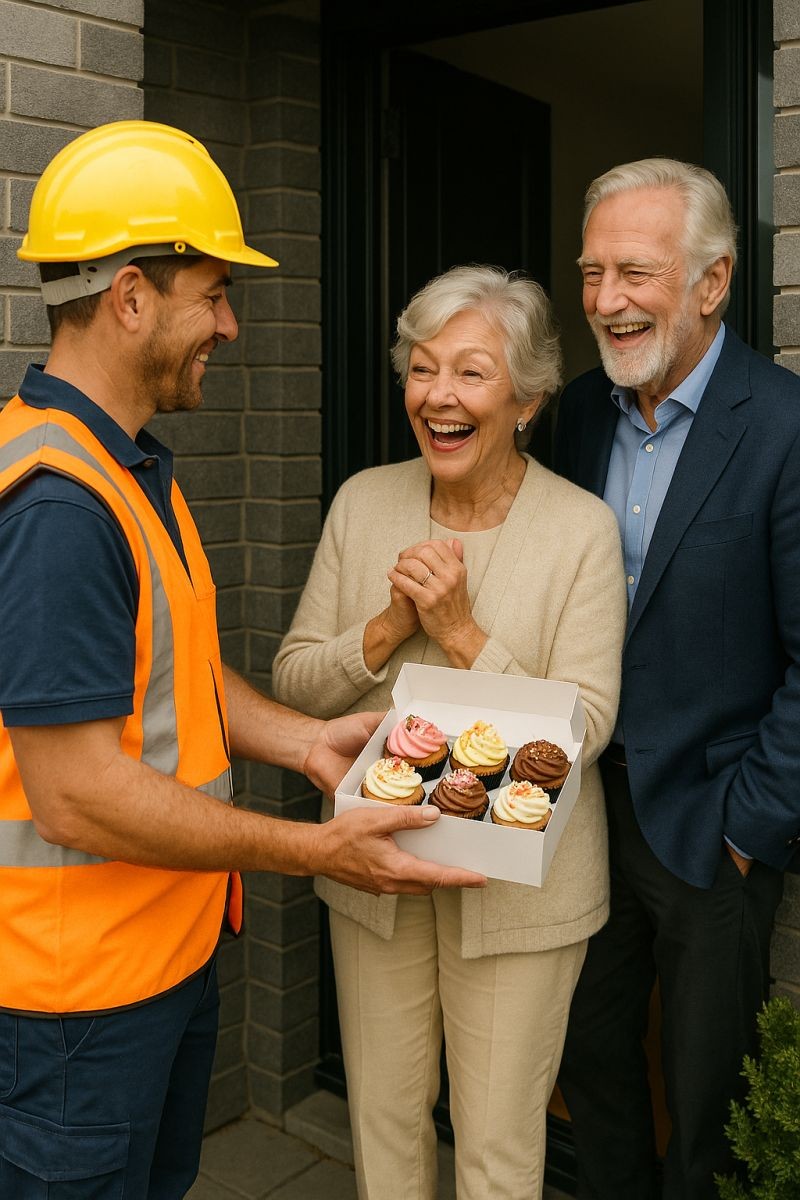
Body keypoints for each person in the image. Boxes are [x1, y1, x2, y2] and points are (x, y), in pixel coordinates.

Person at [0, 120, 485, 1200]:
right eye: (211, 291)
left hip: (155, 968)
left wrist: (308, 741)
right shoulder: (61, 508)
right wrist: (317, 852)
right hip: (71, 1012)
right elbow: (73, 797)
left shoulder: (127, 469)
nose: (228, 322)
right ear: (130, 296)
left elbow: (174, 675)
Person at [273, 264, 626, 1199]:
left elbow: (585, 726)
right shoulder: (363, 502)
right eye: (422, 370)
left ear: (528, 400)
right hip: (373, 870)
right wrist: (388, 628)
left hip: (519, 902)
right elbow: (295, 679)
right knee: (383, 1133)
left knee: (499, 1155)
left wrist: (463, 633)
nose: (438, 396)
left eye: (470, 373)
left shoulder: (581, 529)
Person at [554, 158, 800, 1200]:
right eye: (591, 271)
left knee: (705, 1105)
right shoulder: (569, 419)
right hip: (575, 820)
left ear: (711, 282)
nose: (606, 301)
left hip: (711, 827)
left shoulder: (785, 426)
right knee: (592, 1073)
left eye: (635, 273)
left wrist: (749, 826)